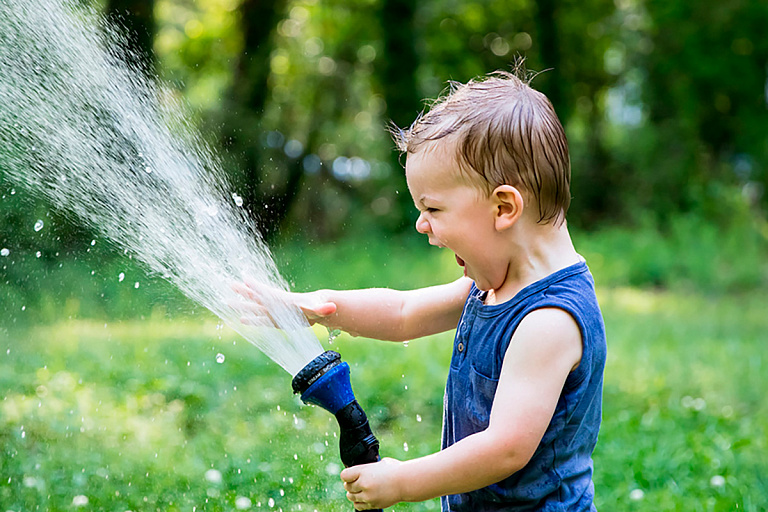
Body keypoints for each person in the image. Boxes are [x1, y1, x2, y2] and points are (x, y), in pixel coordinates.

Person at [237, 67, 606, 511]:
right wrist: (320, 307)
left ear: (504, 207)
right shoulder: (491, 287)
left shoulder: (548, 320)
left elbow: (506, 447)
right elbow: (403, 312)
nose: (421, 224)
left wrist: (402, 482)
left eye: (433, 208)